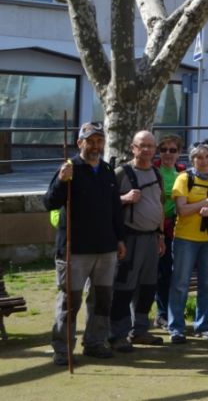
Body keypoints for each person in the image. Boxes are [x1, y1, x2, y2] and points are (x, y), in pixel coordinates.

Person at [44, 122, 126, 365]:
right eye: (90, 141)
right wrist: (61, 181)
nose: (95, 146)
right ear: (80, 142)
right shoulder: (69, 168)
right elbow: (49, 202)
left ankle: (94, 342)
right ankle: (62, 349)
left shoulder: (108, 170)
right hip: (75, 249)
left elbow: (115, 210)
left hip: (106, 248)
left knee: (102, 300)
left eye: (99, 141)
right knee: (71, 300)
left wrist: (119, 238)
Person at [168, 142, 208, 343]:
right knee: (180, 283)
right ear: (192, 159)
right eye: (199, 157)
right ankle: (176, 327)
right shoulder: (184, 179)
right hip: (186, 238)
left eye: (207, 156)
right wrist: (204, 204)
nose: (203, 161)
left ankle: (204, 325)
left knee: (207, 282)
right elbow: (182, 210)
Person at [109, 131, 166, 352]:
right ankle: (117, 334)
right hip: (129, 238)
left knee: (147, 287)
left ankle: (140, 330)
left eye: (151, 146)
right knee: (124, 287)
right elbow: (107, 203)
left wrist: (160, 235)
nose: (147, 150)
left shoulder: (157, 173)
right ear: (133, 148)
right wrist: (124, 199)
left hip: (151, 238)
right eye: (142, 146)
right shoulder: (121, 173)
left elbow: (159, 205)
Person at [153, 134, 184, 329]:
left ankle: (170, 312)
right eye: (163, 150)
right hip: (158, 228)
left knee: (173, 273)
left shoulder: (182, 172)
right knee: (161, 274)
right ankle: (161, 314)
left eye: (172, 150)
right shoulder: (154, 172)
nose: (168, 154)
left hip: (178, 228)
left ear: (179, 153)